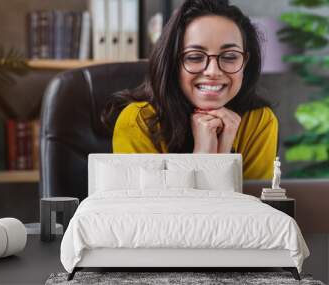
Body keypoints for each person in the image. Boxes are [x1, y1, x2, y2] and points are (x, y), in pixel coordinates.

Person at [102, 0, 278, 180]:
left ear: (245, 63)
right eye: (194, 57)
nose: (213, 71)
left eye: (230, 56)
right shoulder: (137, 121)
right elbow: (151, 207)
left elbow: (254, 206)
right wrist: (203, 154)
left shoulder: (259, 121)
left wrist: (225, 152)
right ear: (174, 63)